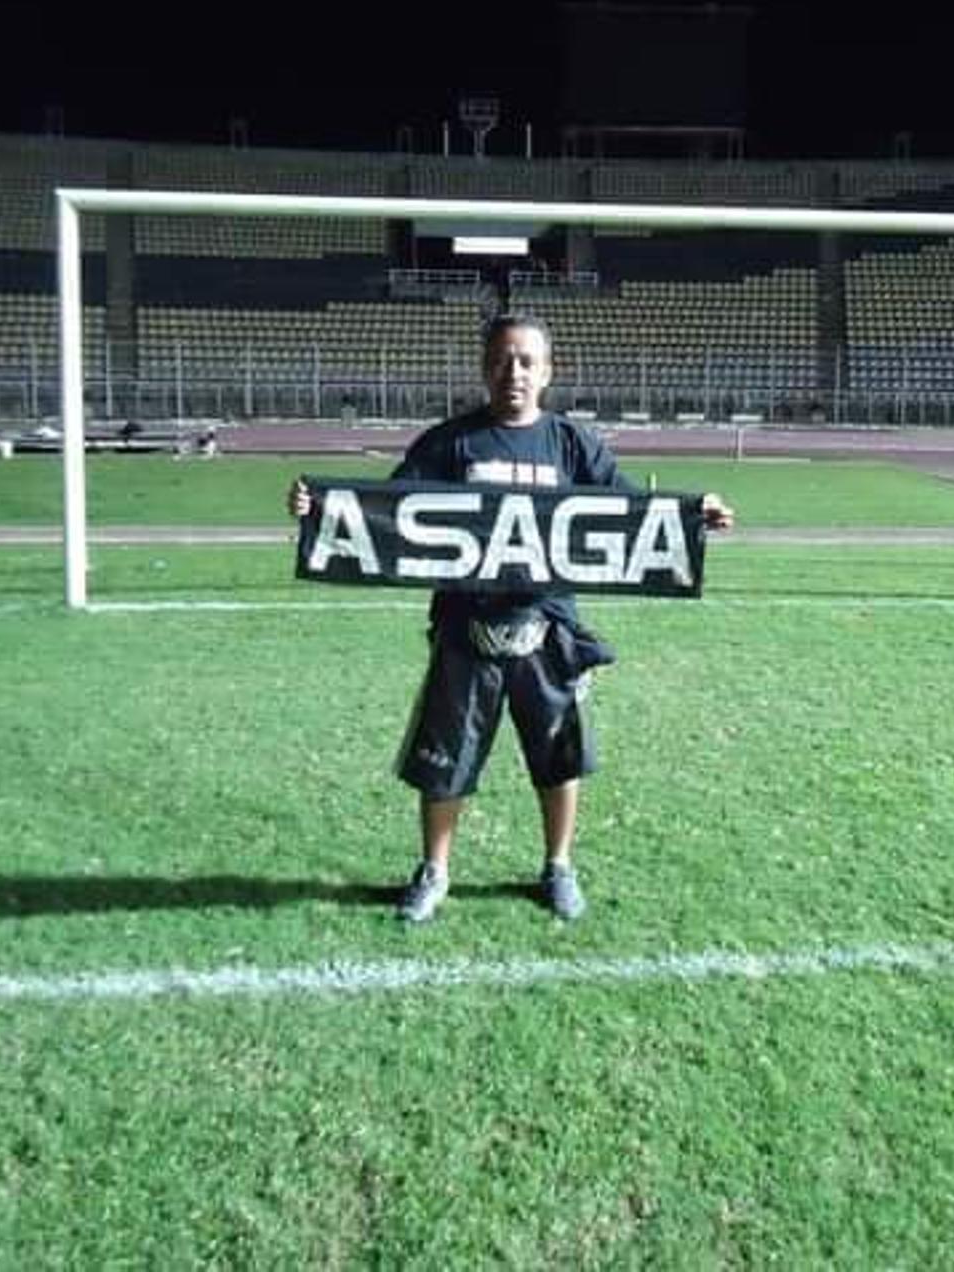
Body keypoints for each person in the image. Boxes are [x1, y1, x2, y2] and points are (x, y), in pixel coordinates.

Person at [288, 309, 734, 923]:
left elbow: (631, 506)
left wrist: (692, 514)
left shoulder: (572, 443)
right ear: (484, 367)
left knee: (559, 757)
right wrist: (321, 508)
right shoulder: (450, 442)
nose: (514, 371)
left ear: (548, 372)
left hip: (548, 632)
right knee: (446, 761)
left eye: (527, 360)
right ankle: (435, 870)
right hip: (464, 631)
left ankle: (558, 867)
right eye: (502, 359)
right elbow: (382, 511)